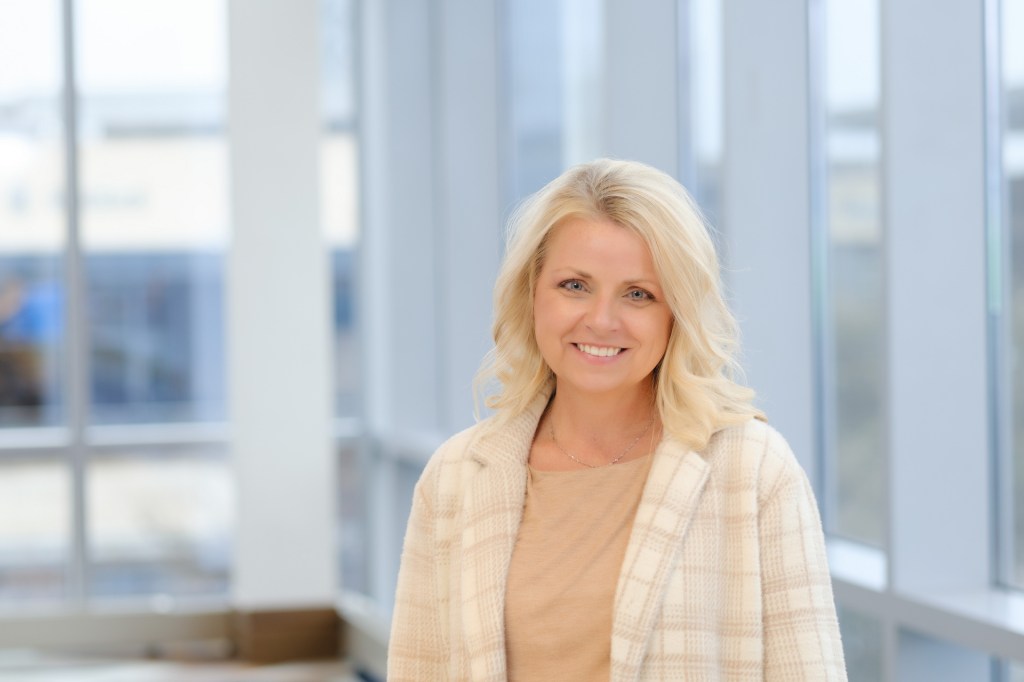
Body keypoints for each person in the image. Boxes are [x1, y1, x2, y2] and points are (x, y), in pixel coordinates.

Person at [388, 159, 847, 681]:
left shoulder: (752, 469)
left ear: (677, 313)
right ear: (531, 293)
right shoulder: (455, 477)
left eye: (638, 294)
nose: (602, 321)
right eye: (574, 286)